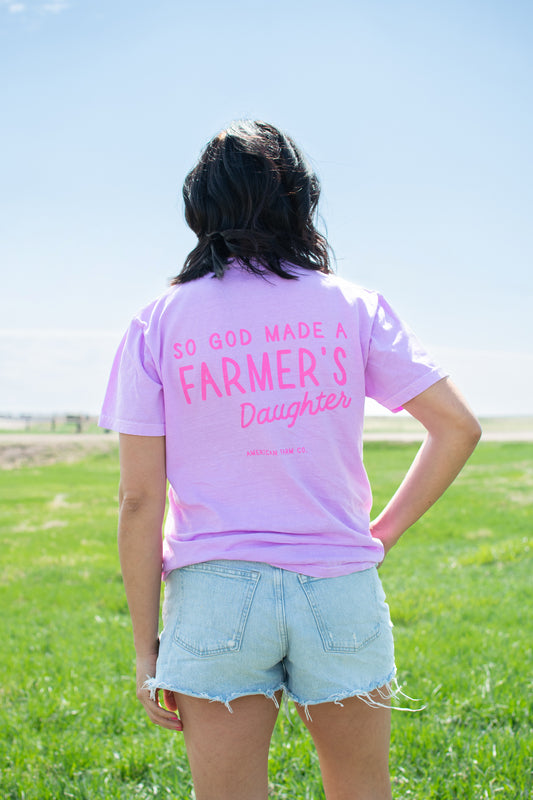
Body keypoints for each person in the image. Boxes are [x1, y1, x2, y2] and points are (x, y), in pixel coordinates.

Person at [99, 120, 481, 800]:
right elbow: (456, 428)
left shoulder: (159, 321)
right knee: (361, 789)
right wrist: (381, 534)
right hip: (338, 583)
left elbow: (138, 501)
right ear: (300, 200)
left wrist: (144, 648)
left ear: (200, 207)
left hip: (215, 593)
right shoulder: (353, 305)